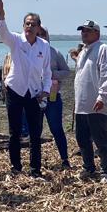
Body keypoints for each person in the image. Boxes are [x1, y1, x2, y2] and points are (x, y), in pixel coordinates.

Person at [0, 0, 52, 177]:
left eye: (33, 24)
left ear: (38, 28)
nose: (29, 26)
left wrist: (45, 89)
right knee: (15, 131)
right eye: (27, 23)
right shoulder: (16, 41)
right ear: (23, 25)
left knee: (35, 133)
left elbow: (48, 71)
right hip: (15, 90)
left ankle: (35, 169)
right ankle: (16, 166)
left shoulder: (44, 45)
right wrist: (2, 15)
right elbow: (3, 34)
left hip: (34, 92)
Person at [72, 20, 107, 183]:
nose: (84, 33)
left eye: (88, 31)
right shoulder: (84, 50)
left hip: (96, 104)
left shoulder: (103, 49)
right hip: (81, 104)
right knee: (82, 139)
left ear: (97, 33)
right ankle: (89, 167)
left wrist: (102, 96)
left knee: (101, 140)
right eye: (83, 30)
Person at [37, 27, 73, 169]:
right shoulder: (29, 52)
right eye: (38, 34)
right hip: (35, 97)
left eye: (43, 34)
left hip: (53, 96)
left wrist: (52, 74)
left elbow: (66, 71)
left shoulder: (55, 52)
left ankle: (65, 159)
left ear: (47, 36)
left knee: (56, 128)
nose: (41, 37)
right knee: (35, 131)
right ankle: (36, 163)